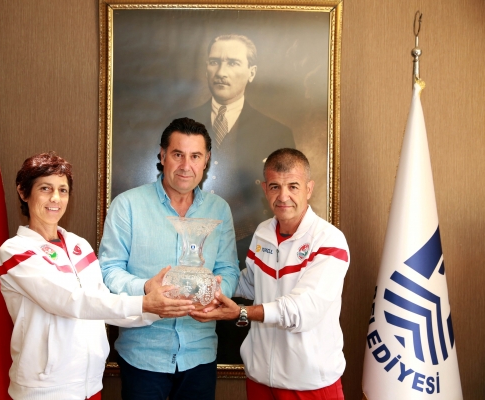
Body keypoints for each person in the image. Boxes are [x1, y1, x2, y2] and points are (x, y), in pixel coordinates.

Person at [0, 151, 195, 400]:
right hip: (44, 390)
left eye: (63, 190)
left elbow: (102, 304)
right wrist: (144, 302)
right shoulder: (14, 251)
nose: (55, 198)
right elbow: (70, 301)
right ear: (23, 192)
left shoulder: (79, 246)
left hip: (90, 384)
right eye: (45, 188)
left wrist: (159, 308)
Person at [191, 148, 350, 399]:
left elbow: (302, 310)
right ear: (265, 189)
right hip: (260, 378)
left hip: (309, 384)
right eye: (275, 187)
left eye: (293, 186)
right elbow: (251, 283)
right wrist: (210, 285)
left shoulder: (329, 240)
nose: (283, 196)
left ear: (309, 189)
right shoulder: (263, 232)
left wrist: (241, 312)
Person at [99, 118, 240, 400]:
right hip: (143, 354)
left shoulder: (219, 210)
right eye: (178, 154)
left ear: (206, 160)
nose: (186, 165)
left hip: (199, 354)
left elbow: (228, 268)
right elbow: (109, 269)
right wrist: (145, 288)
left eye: (195, 156)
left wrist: (216, 293)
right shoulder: (127, 205)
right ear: (162, 156)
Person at [180, 34, 296, 266]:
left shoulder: (276, 133)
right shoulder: (180, 126)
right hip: (189, 248)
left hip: (252, 250)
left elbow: (287, 197)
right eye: (214, 62)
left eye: (232, 63)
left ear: (251, 72)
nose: (221, 72)